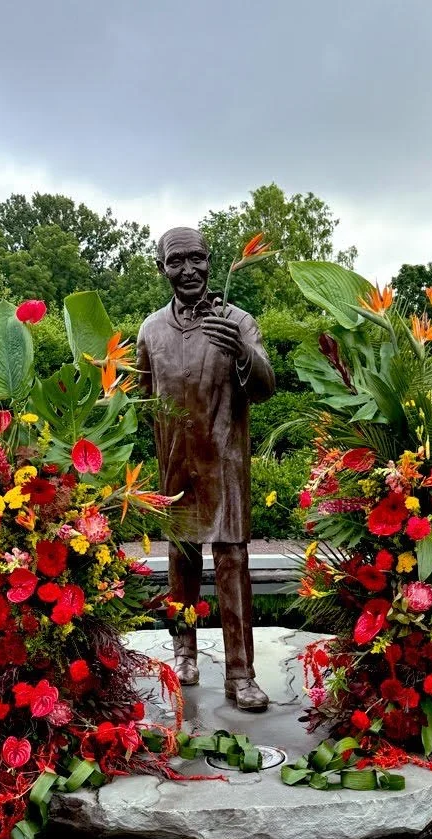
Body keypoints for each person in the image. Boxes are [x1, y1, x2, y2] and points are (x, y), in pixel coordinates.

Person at [136, 227, 275, 711]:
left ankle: (241, 673)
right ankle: (184, 652)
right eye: (176, 261)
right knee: (181, 561)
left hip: (225, 463)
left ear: (210, 261)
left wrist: (242, 351)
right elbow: (141, 397)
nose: (188, 269)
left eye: (196, 258)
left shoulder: (238, 321)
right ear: (162, 268)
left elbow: (265, 387)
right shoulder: (151, 330)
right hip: (176, 463)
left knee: (233, 562)